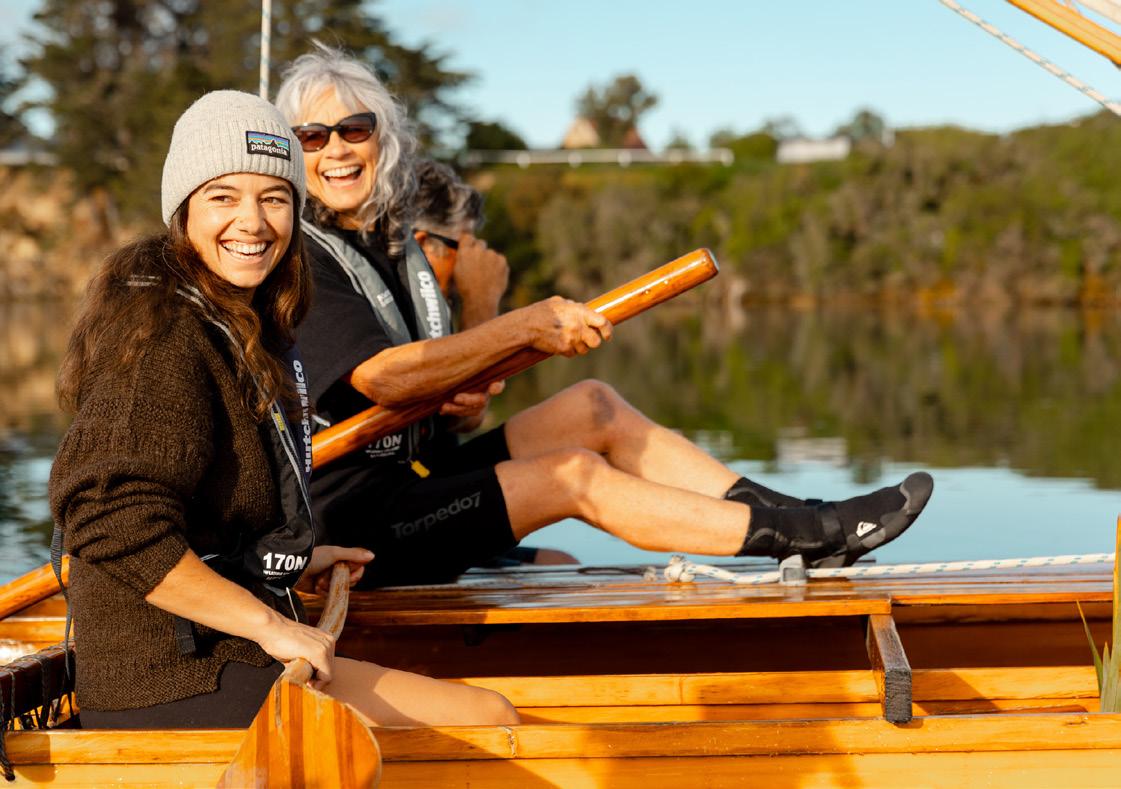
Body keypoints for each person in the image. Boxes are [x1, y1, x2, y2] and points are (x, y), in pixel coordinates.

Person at [276, 47, 935, 588]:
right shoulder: (302, 257)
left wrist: (474, 365)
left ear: (383, 138)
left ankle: (809, 521)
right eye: (312, 136)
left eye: (354, 129)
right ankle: (813, 535)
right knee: (573, 475)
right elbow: (386, 378)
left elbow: (459, 416)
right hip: (353, 524)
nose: (336, 150)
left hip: (415, 479)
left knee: (592, 405)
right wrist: (525, 324)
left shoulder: (386, 245)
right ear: (290, 152)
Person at [48, 90, 517, 729]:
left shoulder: (239, 322)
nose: (253, 222)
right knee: (486, 717)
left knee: (482, 710)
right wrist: (268, 624)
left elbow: (214, 518)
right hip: (166, 678)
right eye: (223, 197)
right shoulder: (162, 333)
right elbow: (110, 519)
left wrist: (288, 559)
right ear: (183, 209)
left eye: (274, 198)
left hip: (219, 648)